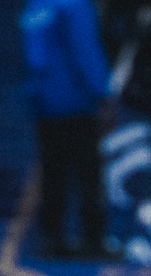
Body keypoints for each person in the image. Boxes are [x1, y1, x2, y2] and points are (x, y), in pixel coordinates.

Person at [20, 0, 111, 260]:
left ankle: (52, 237)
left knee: (52, 173)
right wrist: (102, 91)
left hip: (45, 102)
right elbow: (84, 49)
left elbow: (32, 52)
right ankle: (92, 239)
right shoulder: (74, 6)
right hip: (75, 100)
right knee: (88, 173)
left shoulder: (36, 6)